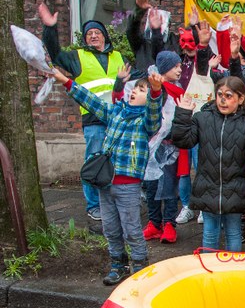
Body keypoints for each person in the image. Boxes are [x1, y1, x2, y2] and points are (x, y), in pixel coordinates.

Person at [50, 67, 164, 285]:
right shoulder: (116, 113)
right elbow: (90, 101)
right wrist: (65, 80)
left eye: (142, 91)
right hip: (106, 183)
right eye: (135, 89)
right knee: (110, 228)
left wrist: (155, 93)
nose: (134, 92)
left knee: (131, 229)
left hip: (128, 186)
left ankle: (140, 267)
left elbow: (153, 115)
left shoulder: (145, 123)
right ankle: (117, 264)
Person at [38, 3, 137, 222]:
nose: (93, 36)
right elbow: (54, 54)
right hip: (93, 119)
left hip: (119, 118)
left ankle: (119, 200)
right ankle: (93, 205)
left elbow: (134, 81)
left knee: (120, 160)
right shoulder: (78, 57)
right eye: (89, 34)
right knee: (94, 161)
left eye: (97, 32)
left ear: (105, 37)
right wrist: (50, 29)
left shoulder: (119, 57)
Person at [171, 77, 245, 252]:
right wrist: (183, 115)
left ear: (240, 99)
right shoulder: (202, 118)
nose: (223, 100)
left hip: (235, 187)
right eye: (219, 95)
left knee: (233, 232)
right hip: (208, 186)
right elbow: (184, 141)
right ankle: (211, 272)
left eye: (228, 95)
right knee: (210, 231)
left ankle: (231, 271)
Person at [143, 51, 184, 244]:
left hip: (171, 147)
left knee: (169, 186)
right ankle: (154, 222)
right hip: (153, 146)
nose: (179, 69)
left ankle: (169, 223)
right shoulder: (153, 87)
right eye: (175, 66)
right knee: (151, 185)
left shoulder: (179, 89)